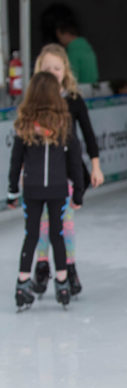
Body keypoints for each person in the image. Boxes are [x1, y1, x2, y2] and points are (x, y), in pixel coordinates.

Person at [7, 72, 85, 310]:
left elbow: (16, 160)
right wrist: (78, 192)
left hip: (31, 189)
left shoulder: (25, 123)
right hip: (58, 189)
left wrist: (12, 191)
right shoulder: (64, 123)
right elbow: (75, 162)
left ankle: (22, 282)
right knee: (56, 234)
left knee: (31, 235)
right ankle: (62, 281)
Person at [32, 43, 104, 296]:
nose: (52, 73)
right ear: (38, 71)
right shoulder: (34, 102)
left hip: (66, 174)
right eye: (47, 68)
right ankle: (41, 265)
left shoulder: (73, 100)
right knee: (40, 223)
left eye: (57, 68)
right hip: (37, 174)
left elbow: (88, 135)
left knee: (65, 223)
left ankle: (69, 268)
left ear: (65, 71)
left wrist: (95, 166)